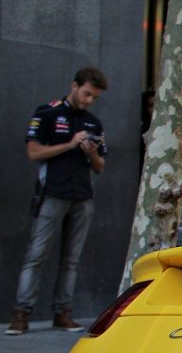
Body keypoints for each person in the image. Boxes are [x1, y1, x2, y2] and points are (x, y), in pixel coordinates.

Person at [7, 67, 110, 335]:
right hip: (52, 194)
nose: (89, 100)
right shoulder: (47, 113)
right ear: (74, 85)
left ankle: (63, 313)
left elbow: (100, 167)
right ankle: (21, 314)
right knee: (36, 256)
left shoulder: (93, 123)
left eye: (94, 97)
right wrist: (70, 144)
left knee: (71, 260)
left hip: (83, 197)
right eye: (87, 94)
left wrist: (91, 152)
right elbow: (33, 153)